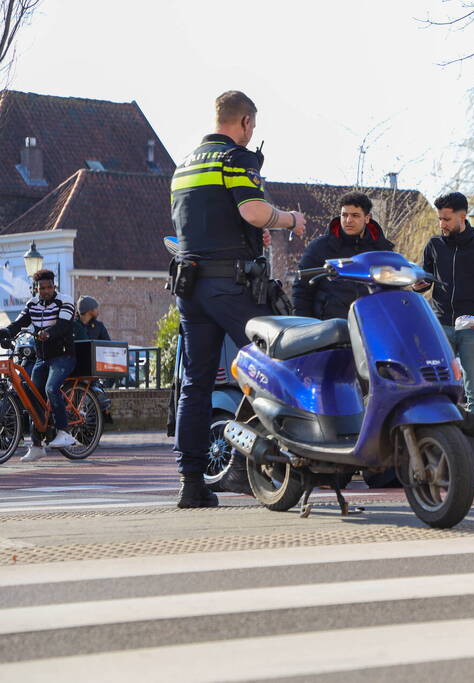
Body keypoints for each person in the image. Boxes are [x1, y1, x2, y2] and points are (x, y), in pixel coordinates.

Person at [171, 90, 306, 508]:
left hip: (190, 287)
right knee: (272, 364)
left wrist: (248, 234)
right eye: (253, 125)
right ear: (245, 122)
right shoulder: (237, 158)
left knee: (195, 384)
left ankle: (191, 483)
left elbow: (207, 223)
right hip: (230, 287)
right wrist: (288, 221)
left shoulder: (183, 166)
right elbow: (251, 209)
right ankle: (287, 461)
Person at [412, 192, 474, 412]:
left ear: (462, 217)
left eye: (446, 219)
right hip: (440, 324)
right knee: (438, 385)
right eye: (440, 219)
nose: (441, 223)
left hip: (473, 325)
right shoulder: (434, 245)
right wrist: (418, 285)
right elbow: (426, 279)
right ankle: (442, 433)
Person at [0, 269, 80, 461]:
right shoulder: (33, 304)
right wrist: (0, 334)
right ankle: (37, 445)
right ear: (36, 288)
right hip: (42, 358)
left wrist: (48, 333)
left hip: (63, 356)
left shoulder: (65, 300)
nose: (45, 291)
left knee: (51, 388)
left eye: (48, 287)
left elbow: (64, 325)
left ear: (54, 286)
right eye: (41, 288)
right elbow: (19, 323)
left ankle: (64, 431)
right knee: (30, 393)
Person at [291, 192, 395, 319]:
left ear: (367, 218)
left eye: (355, 215)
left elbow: (394, 293)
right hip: (328, 329)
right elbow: (301, 291)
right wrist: (305, 326)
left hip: (372, 326)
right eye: (344, 215)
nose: (348, 220)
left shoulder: (383, 251)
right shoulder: (320, 247)